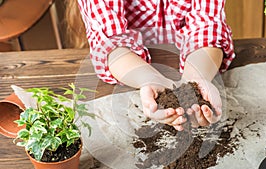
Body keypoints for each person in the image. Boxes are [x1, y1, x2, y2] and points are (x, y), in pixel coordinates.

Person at [65, 0, 235, 131]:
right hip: (127, 69)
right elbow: (111, 44)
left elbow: (207, 27)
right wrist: (149, 79)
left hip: (191, 59)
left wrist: (196, 78)